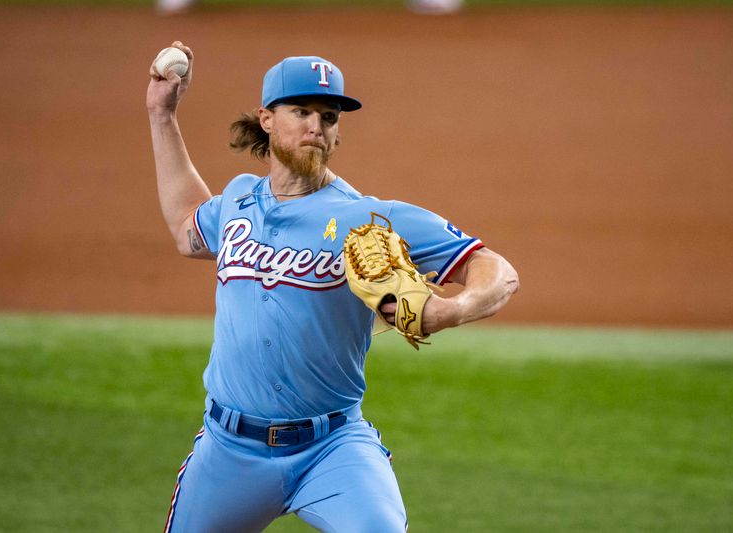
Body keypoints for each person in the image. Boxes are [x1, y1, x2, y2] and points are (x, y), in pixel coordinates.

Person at [147, 41, 519, 533]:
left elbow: (496, 270)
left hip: (332, 449)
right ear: (266, 118)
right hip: (228, 450)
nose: (315, 127)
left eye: (328, 116)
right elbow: (185, 228)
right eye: (300, 111)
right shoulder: (236, 202)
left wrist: (448, 311)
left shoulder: (366, 218)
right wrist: (162, 114)